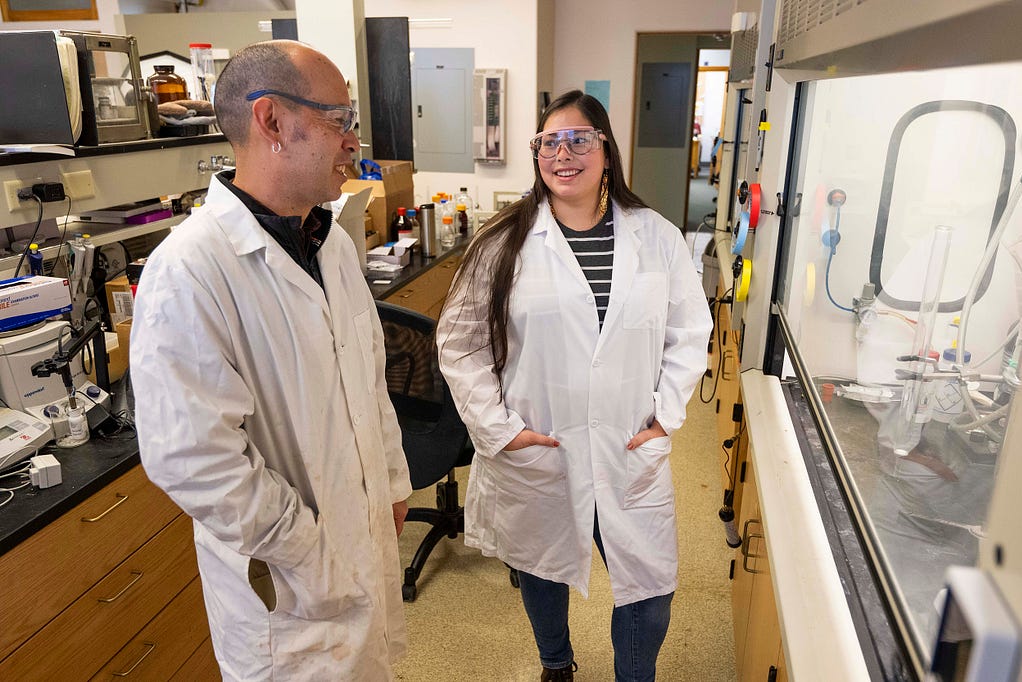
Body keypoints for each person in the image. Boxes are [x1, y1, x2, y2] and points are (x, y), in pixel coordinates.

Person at [130, 40, 412, 680]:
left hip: (359, 545)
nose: (352, 140)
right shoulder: (191, 270)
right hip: (287, 594)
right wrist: (309, 552)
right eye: (340, 119)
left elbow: (368, 381)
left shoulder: (330, 240)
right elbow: (192, 459)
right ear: (273, 122)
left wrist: (391, 483)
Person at [437, 91, 713, 682]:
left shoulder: (656, 237)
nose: (563, 153)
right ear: (537, 155)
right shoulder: (502, 242)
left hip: (629, 442)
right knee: (543, 565)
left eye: (580, 139)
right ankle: (556, 663)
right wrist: (499, 431)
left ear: (607, 151)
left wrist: (666, 416)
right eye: (548, 142)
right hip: (542, 441)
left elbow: (690, 331)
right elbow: (459, 345)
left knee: (648, 587)